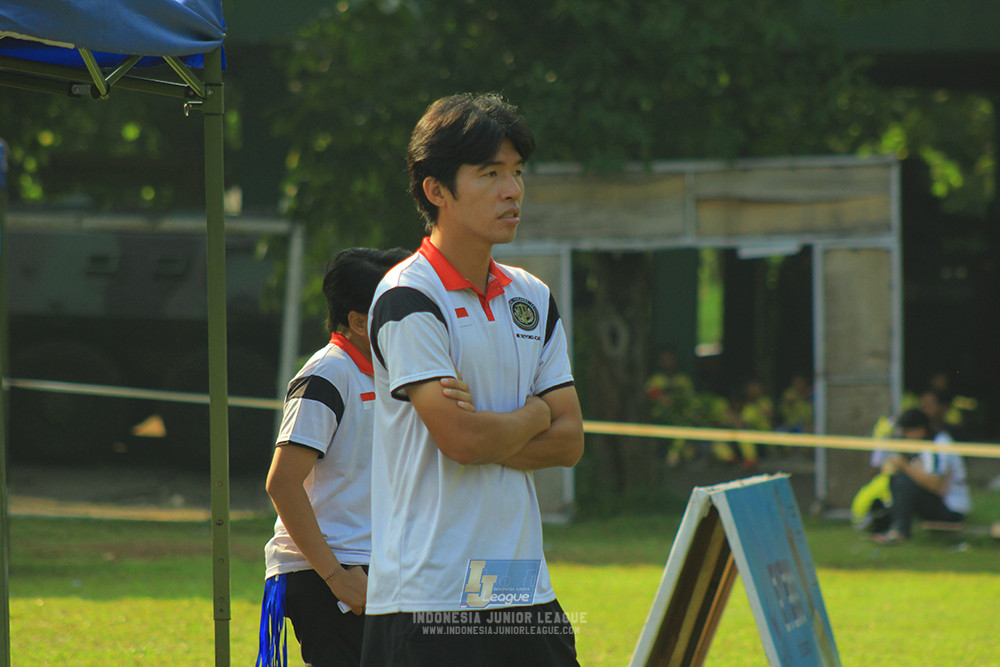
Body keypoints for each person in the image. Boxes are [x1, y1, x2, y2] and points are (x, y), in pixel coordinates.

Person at [362, 92, 585, 666]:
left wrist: (491, 429)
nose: (513, 191)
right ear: (436, 190)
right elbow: (462, 442)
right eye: (489, 173)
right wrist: (534, 412)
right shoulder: (408, 296)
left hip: (515, 584)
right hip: (427, 593)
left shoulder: (532, 297)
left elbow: (570, 442)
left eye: (516, 173)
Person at [256, 247, 475, 667]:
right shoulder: (328, 373)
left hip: (392, 569)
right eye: (395, 309)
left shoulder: (406, 374)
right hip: (334, 573)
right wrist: (338, 578)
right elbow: (281, 483)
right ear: (358, 322)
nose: (410, 320)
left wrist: (463, 408)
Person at [872, 408, 971, 545]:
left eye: (907, 432)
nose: (905, 436)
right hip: (939, 503)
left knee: (903, 481)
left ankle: (900, 532)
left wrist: (905, 466)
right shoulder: (925, 444)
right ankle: (889, 526)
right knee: (897, 479)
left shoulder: (939, 445)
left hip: (951, 510)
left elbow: (936, 486)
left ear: (920, 430)